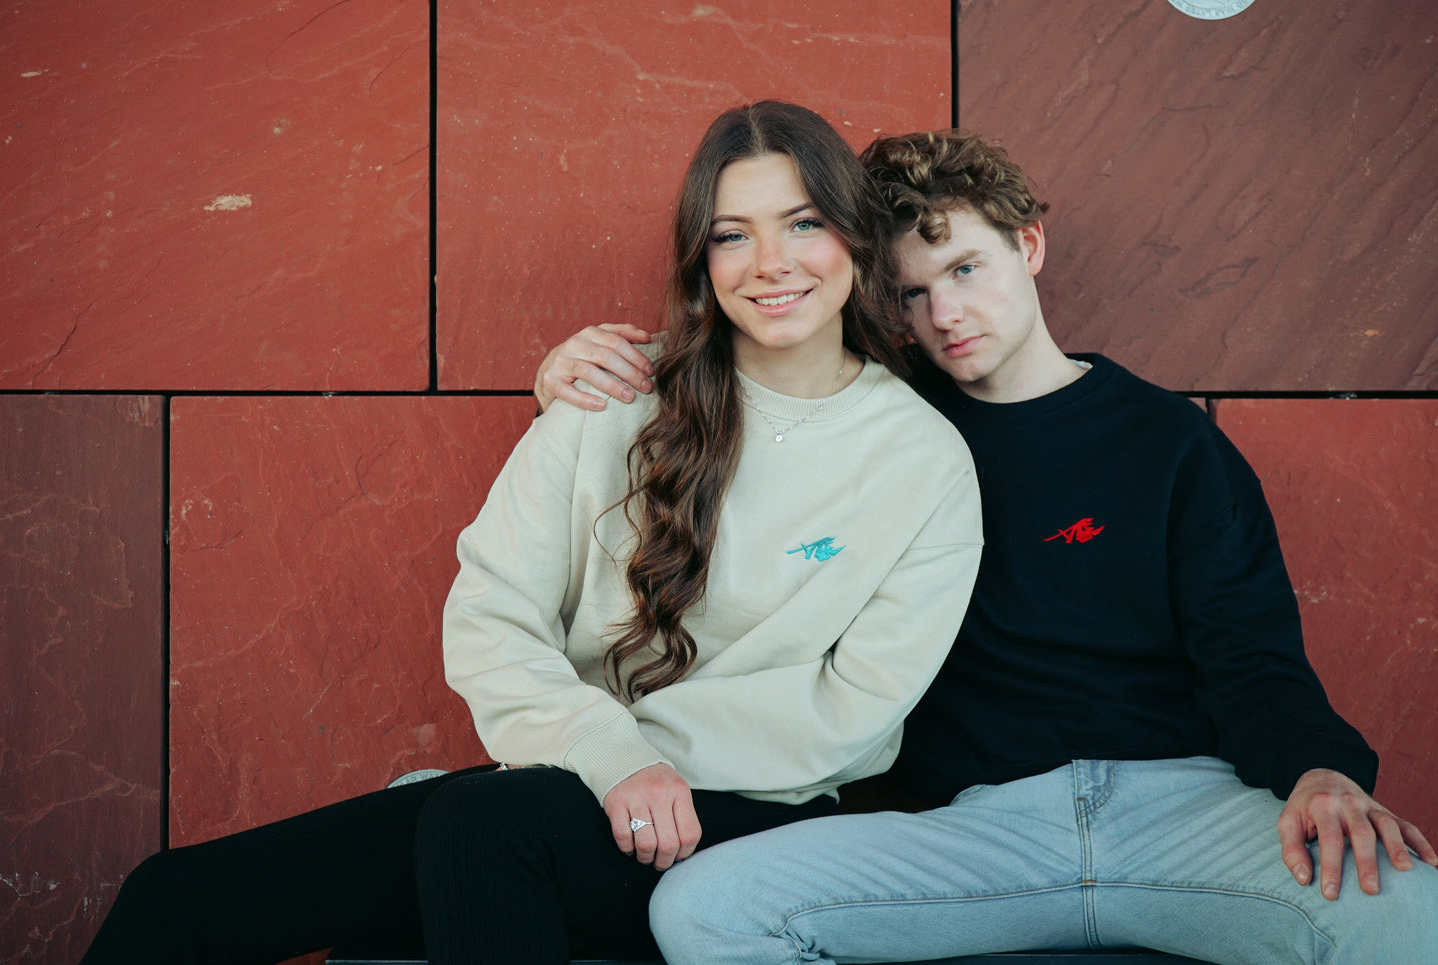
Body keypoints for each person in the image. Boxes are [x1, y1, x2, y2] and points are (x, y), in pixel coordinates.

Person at [78, 102, 982, 965]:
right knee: (176, 896)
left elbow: (854, 709)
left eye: (803, 223)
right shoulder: (613, 398)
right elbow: (490, 612)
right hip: (575, 777)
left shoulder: (922, 461)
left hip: (754, 815)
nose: (768, 262)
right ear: (700, 256)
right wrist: (607, 753)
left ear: (853, 238)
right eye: (731, 233)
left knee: (483, 823)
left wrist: (627, 759)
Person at [535, 127, 1438, 963]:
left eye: (966, 268)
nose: (946, 313)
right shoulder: (882, 432)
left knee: (1413, 910)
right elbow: (747, 385)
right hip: (978, 828)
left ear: (1029, 246)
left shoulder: (1166, 441)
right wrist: (582, 382)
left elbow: (1252, 654)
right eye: (912, 295)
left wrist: (1320, 772)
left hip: (1189, 809)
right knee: (705, 908)